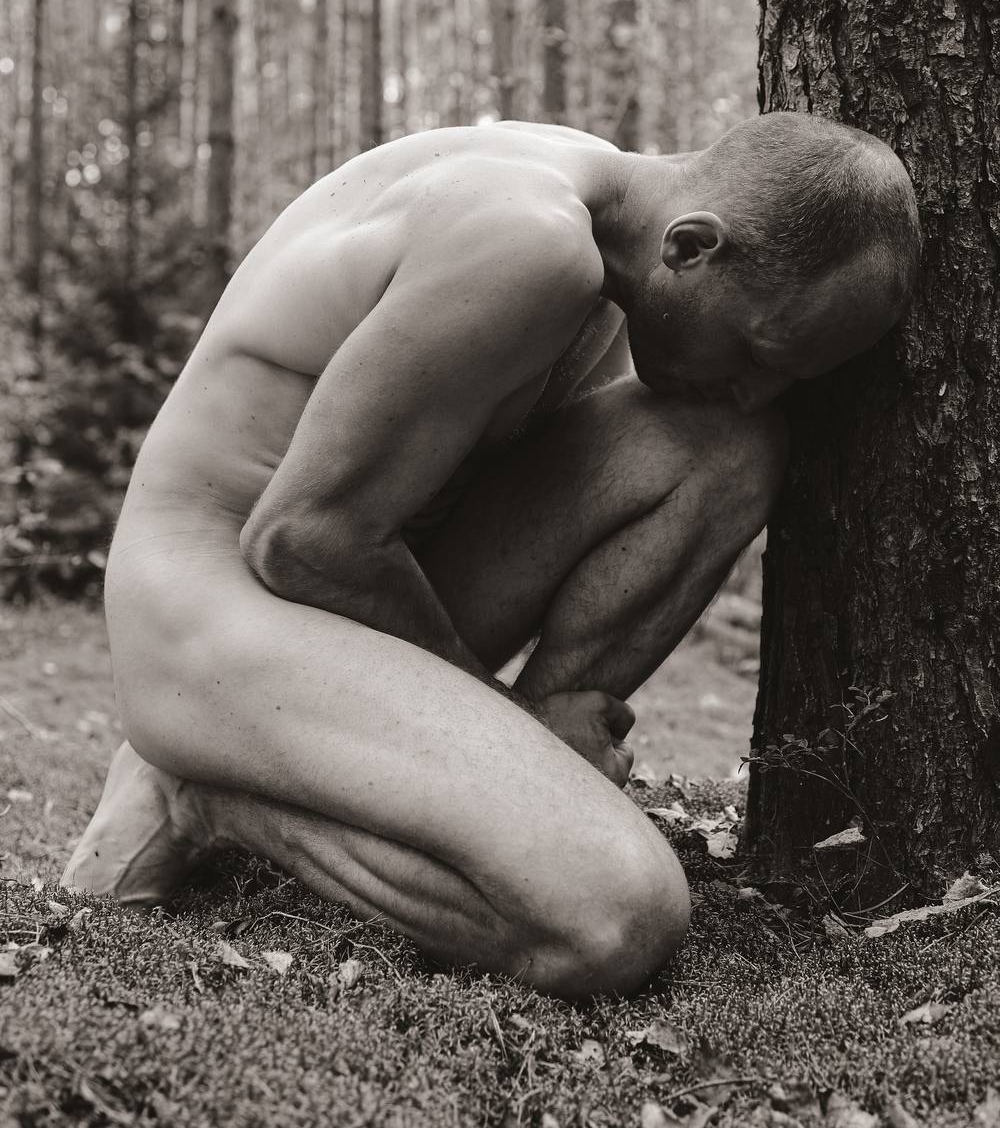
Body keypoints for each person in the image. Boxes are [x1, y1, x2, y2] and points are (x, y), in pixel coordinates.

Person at [62, 111, 920, 999]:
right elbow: (303, 541)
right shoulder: (529, 242)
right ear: (691, 247)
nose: (756, 389)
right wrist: (520, 722)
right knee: (616, 916)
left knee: (731, 450)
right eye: (759, 349)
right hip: (212, 612)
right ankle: (201, 793)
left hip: (344, 582)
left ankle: (506, 797)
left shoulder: (596, 209)